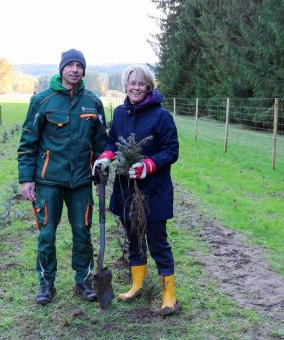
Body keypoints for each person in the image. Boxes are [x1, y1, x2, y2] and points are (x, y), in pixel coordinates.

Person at [18, 49, 107, 305]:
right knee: (47, 235)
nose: (75, 70)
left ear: (83, 71)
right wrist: (26, 179)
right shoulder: (42, 100)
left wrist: (102, 164)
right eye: (71, 65)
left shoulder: (93, 102)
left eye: (80, 66)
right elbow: (28, 142)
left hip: (80, 183)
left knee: (82, 232)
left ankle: (84, 282)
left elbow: (101, 142)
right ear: (62, 69)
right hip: (48, 182)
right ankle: (46, 284)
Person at [92, 64, 181, 316]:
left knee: (157, 242)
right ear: (125, 86)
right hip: (126, 189)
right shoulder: (120, 112)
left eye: (141, 83)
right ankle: (137, 285)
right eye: (132, 83)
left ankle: (168, 295)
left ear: (149, 86)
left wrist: (149, 164)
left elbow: (172, 150)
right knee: (133, 238)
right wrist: (105, 156)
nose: (136, 87)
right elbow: (112, 140)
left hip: (153, 191)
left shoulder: (161, 116)